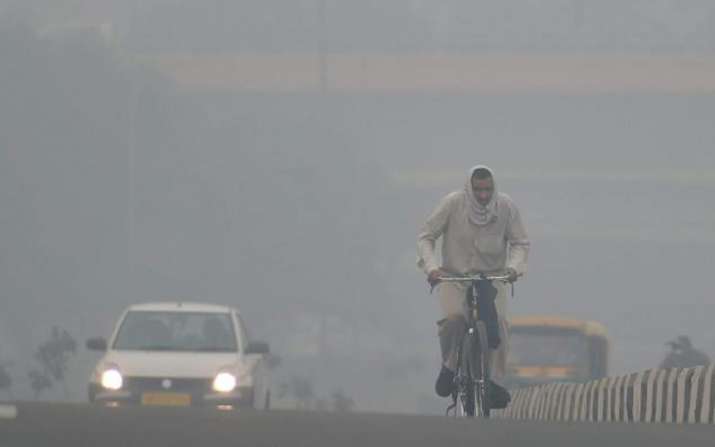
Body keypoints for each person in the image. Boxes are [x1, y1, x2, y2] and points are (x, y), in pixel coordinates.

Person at [417, 165, 530, 404]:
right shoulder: (452, 204)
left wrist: (514, 268)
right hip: (454, 278)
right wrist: (432, 268)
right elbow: (426, 236)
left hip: (491, 280)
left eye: (487, 189)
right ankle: (449, 365)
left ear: (494, 188)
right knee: (454, 320)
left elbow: (520, 242)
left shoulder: (506, 207)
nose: (483, 195)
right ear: (469, 187)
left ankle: (495, 382)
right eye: (478, 190)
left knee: (499, 325)